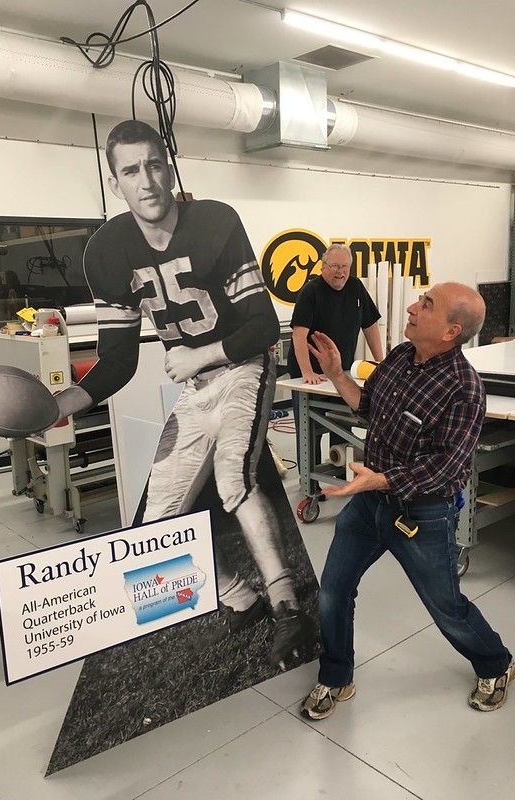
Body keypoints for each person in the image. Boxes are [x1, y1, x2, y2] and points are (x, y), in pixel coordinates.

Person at [55, 119, 314, 668]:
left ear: (168, 167)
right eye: (131, 170)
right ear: (115, 182)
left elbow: (264, 326)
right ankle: (237, 596)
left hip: (242, 367)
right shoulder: (106, 252)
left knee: (232, 481)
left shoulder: (215, 221)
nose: (146, 181)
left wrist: (201, 354)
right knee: (156, 524)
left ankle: (289, 606)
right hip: (195, 390)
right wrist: (62, 405)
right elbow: (118, 360)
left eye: (153, 165)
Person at [301, 282, 513, 719]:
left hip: (421, 515)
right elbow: (366, 407)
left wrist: (380, 479)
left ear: (452, 330)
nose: (413, 307)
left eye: (426, 305)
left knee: (446, 607)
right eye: (419, 300)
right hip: (368, 503)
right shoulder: (399, 357)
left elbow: (446, 468)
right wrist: (339, 373)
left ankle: (497, 663)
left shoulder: (464, 389)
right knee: (334, 592)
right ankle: (336, 676)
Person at [286, 244, 383, 493]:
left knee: (342, 423)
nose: (340, 272)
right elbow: (299, 335)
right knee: (310, 428)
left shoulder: (356, 287)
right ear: (323, 266)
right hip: (311, 374)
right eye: (334, 267)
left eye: (345, 267)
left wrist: (381, 361)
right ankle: (310, 483)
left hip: (342, 372)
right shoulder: (311, 292)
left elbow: (370, 325)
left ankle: (341, 474)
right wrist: (307, 372)